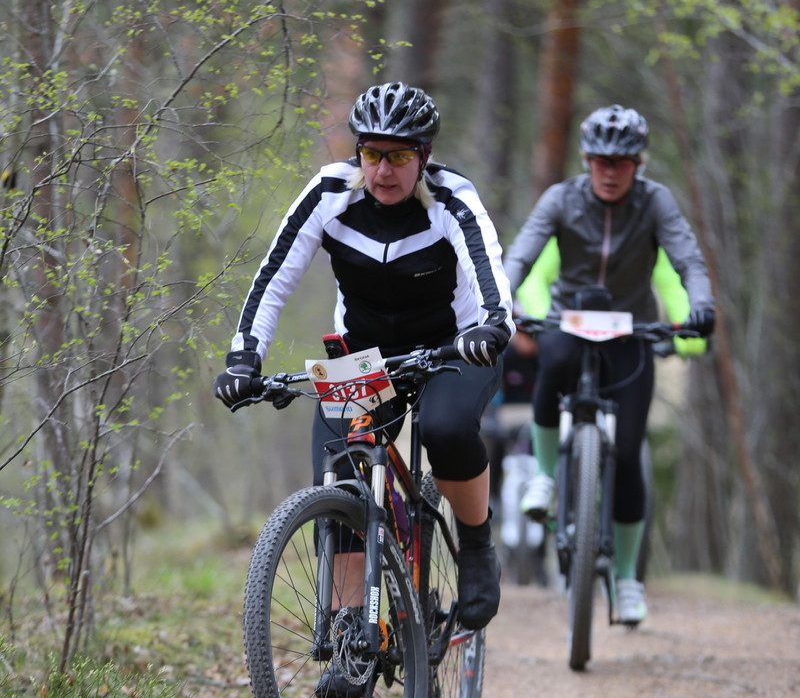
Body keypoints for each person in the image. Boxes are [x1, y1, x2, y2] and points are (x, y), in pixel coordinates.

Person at [214, 80, 514, 653]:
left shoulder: (453, 198)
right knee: (341, 469)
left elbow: (490, 275)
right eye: (372, 154)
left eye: (399, 156)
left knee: (449, 430)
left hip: (453, 347)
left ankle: (475, 543)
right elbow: (273, 279)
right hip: (365, 354)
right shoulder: (329, 194)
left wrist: (492, 326)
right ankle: (354, 634)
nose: (383, 170)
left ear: (423, 157)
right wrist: (244, 355)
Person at [503, 104, 715, 625]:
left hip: (630, 330)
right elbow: (520, 254)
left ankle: (626, 579)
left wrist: (701, 305)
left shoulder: (655, 202)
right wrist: (504, 298)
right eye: (601, 160)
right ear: (586, 158)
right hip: (568, 321)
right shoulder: (561, 198)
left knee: (627, 454)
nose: (611, 171)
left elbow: (687, 259)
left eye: (622, 162)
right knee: (551, 368)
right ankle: (548, 479)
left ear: (638, 163)